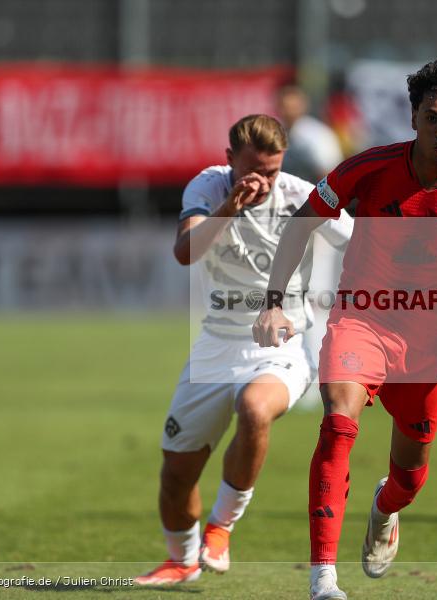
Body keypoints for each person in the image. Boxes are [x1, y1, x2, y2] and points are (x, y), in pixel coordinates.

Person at [253, 60, 437, 600]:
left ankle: (385, 507)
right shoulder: (369, 169)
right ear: (413, 117)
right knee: (338, 421)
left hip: (435, 342)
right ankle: (323, 579)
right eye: (432, 118)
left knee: (409, 478)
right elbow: (302, 223)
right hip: (364, 319)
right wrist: (273, 302)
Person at [134, 115, 352, 585]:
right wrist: (229, 207)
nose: (263, 181)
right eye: (252, 170)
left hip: (282, 344)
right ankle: (182, 560)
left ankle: (222, 526)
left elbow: (360, 241)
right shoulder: (209, 188)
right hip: (217, 344)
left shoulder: (302, 197)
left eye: (271, 171)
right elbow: (186, 252)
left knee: (254, 407)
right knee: (176, 476)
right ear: (230, 159)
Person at [276, 84, 344, 183]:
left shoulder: (318, 134)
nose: (288, 112)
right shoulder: (274, 131)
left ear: (303, 106)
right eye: (284, 107)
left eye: (293, 107)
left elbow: (328, 172)